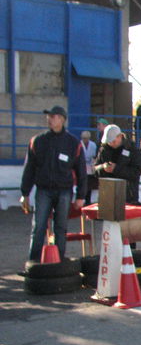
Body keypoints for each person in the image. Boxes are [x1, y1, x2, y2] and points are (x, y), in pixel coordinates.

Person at [19, 106, 86, 261]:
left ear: (62, 119)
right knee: (39, 227)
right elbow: (29, 169)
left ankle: (59, 262)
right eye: (48, 116)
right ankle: (33, 263)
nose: (49, 118)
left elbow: (81, 171)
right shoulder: (38, 141)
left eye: (53, 116)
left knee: (61, 228)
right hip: (43, 190)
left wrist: (81, 196)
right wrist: (25, 193)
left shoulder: (73, 143)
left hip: (64, 191)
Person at [94, 124, 141, 205]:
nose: (111, 143)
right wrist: (103, 167)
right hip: (108, 194)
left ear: (120, 136)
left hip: (128, 195)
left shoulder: (132, 149)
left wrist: (116, 169)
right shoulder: (104, 149)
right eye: (109, 142)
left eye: (113, 141)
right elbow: (95, 169)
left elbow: (137, 171)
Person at [80, 130, 98, 204]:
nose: (85, 140)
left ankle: (88, 200)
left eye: (87, 138)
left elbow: (94, 157)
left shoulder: (93, 145)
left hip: (90, 167)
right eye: (84, 138)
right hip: (82, 166)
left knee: (89, 185)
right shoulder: (79, 144)